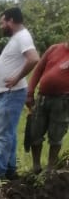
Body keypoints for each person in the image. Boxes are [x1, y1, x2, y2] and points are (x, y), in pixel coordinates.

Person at [0, 7, 39, 178]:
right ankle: (9, 169)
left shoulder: (23, 37)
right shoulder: (18, 37)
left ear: (11, 20)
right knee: (8, 133)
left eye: (2, 22)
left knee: (2, 134)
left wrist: (17, 78)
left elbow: (34, 58)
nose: (1, 26)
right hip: (8, 93)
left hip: (11, 93)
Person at [25, 36, 69, 174]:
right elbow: (38, 70)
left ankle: (50, 168)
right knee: (35, 131)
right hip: (42, 97)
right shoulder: (54, 49)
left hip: (63, 100)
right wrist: (30, 92)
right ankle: (36, 166)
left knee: (56, 133)